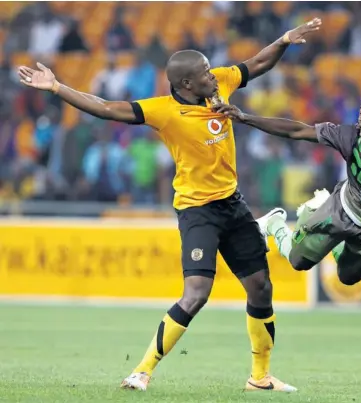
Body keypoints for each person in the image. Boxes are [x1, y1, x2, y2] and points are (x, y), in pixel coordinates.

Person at [17, 18, 322, 393]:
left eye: (212, 71)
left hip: (233, 204)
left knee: (261, 287)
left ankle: (260, 378)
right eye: (206, 73)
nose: (215, 76)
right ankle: (141, 371)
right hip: (198, 211)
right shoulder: (163, 111)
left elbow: (256, 64)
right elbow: (107, 108)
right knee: (196, 294)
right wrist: (58, 87)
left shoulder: (221, 84)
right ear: (186, 84)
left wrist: (284, 40)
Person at [213, 93, 361, 285]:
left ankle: (337, 241)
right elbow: (297, 131)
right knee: (298, 263)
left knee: (348, 279)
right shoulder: (349, 135)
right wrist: (245, 118)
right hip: (341, 210)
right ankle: (276, 223)